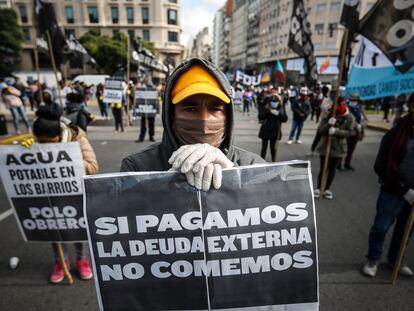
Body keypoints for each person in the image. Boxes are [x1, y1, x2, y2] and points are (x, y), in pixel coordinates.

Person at [121, 58, 265, 191]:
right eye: (190, 109)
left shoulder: (253, 166)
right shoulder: (138, 168)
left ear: (228, 115)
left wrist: (236, 177)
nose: (204, 120)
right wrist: (160, 188)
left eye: (215, 109)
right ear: (171, 114)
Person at [32, 106, 98, 283]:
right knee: (54, 229)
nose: (46, 148)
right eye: (42, 143)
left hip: (74, 193)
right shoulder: (35, 142)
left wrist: (72, 160)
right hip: (49, 195)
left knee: (77, 228)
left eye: (50, 143)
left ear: (59, 136)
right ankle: (61, 262)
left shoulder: (77, 137)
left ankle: (82, 260)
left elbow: (93, 167)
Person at [362, 95, 414, 278]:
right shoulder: (396, 133)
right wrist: (404, 189)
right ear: (411, 106)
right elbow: (381, 166)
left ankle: (396, 260)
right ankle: (373, 259)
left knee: (405, 232)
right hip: (393, 191)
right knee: (381, 227)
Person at [314, 97, 354, 200]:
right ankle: (319, 188)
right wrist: (328, 124)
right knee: (323, 168)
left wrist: (336, 131)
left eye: (344, 104)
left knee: (332, 169)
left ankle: (327, 189)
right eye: (340, 104)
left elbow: (350, 132)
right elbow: (320, 131)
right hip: (325, 146)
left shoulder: (349, 118)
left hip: (338, 148)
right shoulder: (327, 115)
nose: (342, 106)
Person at [339, 94, 368, 171]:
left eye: (355, 100)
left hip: (356, 132)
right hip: (347, 130)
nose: (353, 101)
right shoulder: (346, 107)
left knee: (351, 150)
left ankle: (347, 164)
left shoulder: (359, 108)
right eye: (352, 100)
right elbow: (344, 118)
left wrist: (361, 126)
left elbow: (365, 120)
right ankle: (338, 165)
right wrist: (356, 125)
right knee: (343, 148)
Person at [258, 88, 288, 162]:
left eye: (275, 101)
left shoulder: (281, 106)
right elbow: (260, 116)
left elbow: (285, 119)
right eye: (272, 101)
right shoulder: (266, 104)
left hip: (275, 130)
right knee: (264, 147)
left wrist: (278, 114)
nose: (274, 103)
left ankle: (274, 162)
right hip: (265, 129)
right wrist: (268, 111)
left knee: (273, 148)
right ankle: (261, 161)